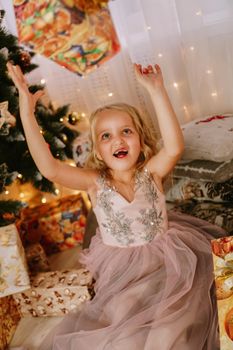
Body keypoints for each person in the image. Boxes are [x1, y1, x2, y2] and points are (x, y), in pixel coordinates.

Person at [7, 62, 224, 350]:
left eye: (126, 131)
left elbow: (174, 146)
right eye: (106, 136)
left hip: (168, 258)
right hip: (123, 269)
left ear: (140, 139)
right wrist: (27, 111)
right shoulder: (95, 182)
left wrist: (157, 90)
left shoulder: (152, 172)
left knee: (173, 324)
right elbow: (50, 169)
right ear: (97, 150)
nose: (117, 140)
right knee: (122, 327)